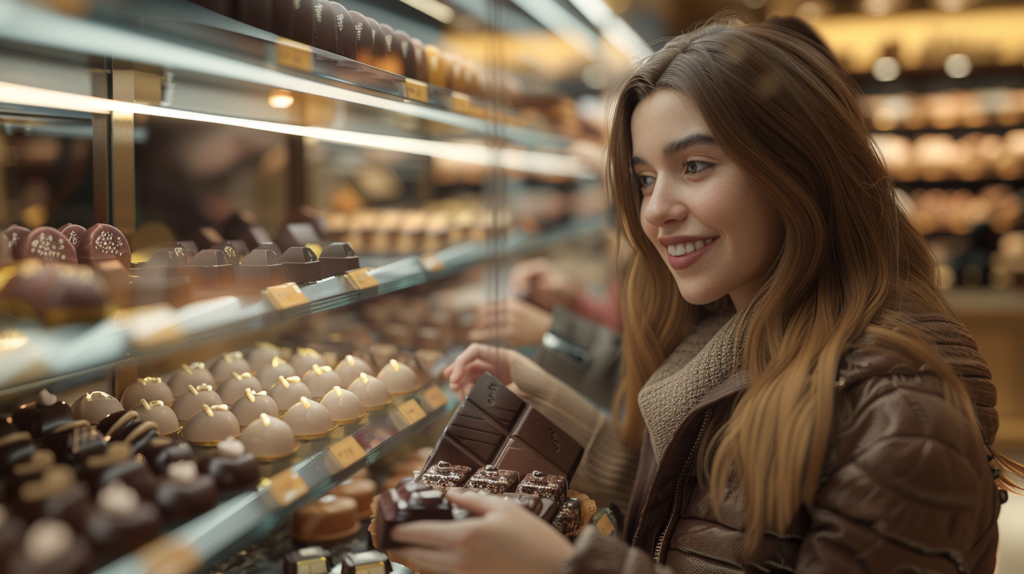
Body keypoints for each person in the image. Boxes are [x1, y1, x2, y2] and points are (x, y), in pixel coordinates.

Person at [389, 18, 1023, 574]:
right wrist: (553, 401)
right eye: (643, 179)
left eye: (695, 166)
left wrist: (564, 568)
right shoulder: (722, 332)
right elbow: (693, 510)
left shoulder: (902, 409)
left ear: (796, 171)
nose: (656, 210)